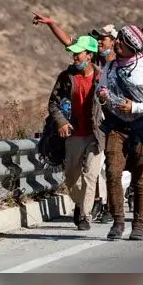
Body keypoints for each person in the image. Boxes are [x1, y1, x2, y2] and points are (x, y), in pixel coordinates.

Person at [96, 25, 143, 241]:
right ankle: (118, 222)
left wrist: (136, 108)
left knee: (140, 177)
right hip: (116, 127)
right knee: (112, 172)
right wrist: (103, 96)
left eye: (120, 41)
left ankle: (138, 224)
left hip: (142, 128)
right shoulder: (109, 68)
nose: (116, 43)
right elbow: (100, 91)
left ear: (131, 47)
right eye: (117, 39)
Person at [46, 35, 105, 231]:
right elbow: (53, 103)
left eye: (78, 53)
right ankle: (80, 204)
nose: (74, 57)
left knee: (90, 174)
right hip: (73, 134)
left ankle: (85, 215)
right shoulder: (66, 77)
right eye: (73, 54)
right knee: (71, 176)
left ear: (89, 55)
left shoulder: (102, 77)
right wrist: (61, 122)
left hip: (96, 135)